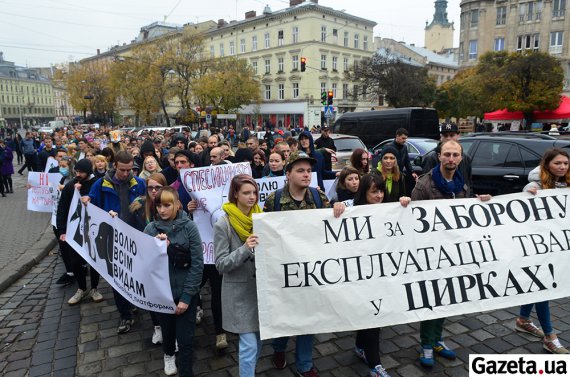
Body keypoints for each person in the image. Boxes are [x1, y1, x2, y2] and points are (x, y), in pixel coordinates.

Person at [411, 140, 492, 367]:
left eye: (455, 155)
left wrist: (479, 203)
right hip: (430, 254)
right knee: (431, 300)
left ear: (461, 157)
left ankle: (437, 339)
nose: (451, 159)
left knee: (446, 298)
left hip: (453, 253)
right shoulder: (425, 185)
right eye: (447, 154)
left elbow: (464, 215)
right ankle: (426, 343)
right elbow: (411, 222)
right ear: (439, 156)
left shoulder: (461, 184)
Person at [263, 151, 337, 377]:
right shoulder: (274, 200)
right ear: (288, 174)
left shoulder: (318, 198)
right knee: (284, 315)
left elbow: (331, 229)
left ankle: (305, 363)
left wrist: (338, 209)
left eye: (308, 171)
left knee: (308, 316)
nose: (306, 175)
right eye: (300, 170)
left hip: (313, 270)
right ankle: (279, 348)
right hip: (283, 271)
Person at [352, 173, 410, 377]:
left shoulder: (389, 211)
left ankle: (361, 347)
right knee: (373, 318)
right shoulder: (353, 211)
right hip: (362, 275)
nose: (379, 196)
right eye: (374, 191)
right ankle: (375, 366)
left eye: (381, 191)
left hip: (382, 273)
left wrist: (404, 204)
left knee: (373, 316)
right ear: (364, 193)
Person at [514, 148, 570, 354]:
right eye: (558, 163)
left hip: (557, 247)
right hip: (535, 248)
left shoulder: (566, 185)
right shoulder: (534, 185)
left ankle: (523, 319)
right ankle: (550, 336)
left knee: (537, 286)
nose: (562, 167)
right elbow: (519, 216)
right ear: (547, 165)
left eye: (565, 163)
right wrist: (527, 198)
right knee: (542, 288)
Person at [144, 187, 203, 376]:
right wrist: (157, 248)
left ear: (177, 205)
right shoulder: (150, 229)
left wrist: (186, 297)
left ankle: (186, 371)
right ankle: (168, 354)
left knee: (186, 340)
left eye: (167, 205)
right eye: (159, 205)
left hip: (185, 293)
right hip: (163, 296)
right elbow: (143, 263)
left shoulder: (190, 227)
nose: (162, 210)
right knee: (168, 333)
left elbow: (196, 264)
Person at [88, 151, 146, 334]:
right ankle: (125, 314)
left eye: (130, 170)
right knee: (118, 278)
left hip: (136, 235)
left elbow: (149, 204)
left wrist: (142, 203)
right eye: (123, 170)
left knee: (135, 274)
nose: (126, 173)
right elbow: (92, 207)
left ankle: (134, 300)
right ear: (115, 166)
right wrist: (86, 201)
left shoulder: (139, 183)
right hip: (113, 237)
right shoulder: (100, 184)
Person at [214, 174, 263, 377]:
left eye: (254, 192)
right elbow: (220, 264)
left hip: (261, 290)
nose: (252, 197)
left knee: (258, 342)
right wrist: (244, 249)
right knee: (249, 345)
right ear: (235, 194)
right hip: (239, 293)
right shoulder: (222, 224)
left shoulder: (261, 217)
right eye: (246, 193)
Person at [56, 159, 103, 305]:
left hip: (94, 229)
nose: (78, 174)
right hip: (75, 230)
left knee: (94, 261)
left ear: (88, 171)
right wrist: (61, 230)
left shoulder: (98, 184)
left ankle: (94, 288)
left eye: (81, 172)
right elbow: (62, 208)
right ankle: (81, 288)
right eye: (76, 171)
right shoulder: (71, 186)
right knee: (75, 261)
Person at [129, 173, 168, 345]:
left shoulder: (172, 205)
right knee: (152, 294)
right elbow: (129, 228)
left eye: (157, 187)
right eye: (150, 187)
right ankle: (157, 327)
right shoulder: (138, 206)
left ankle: (169, 328)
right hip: (146, 257)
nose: (153, 191)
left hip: (166, 257)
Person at [421, 123, 473, 197]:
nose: (448, 138)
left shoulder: (466, 158)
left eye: (452, 135)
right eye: (445, 135)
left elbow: (469, 184)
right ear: (441, 137)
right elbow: (424, 186)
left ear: (458, 136)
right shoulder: (431, 158)